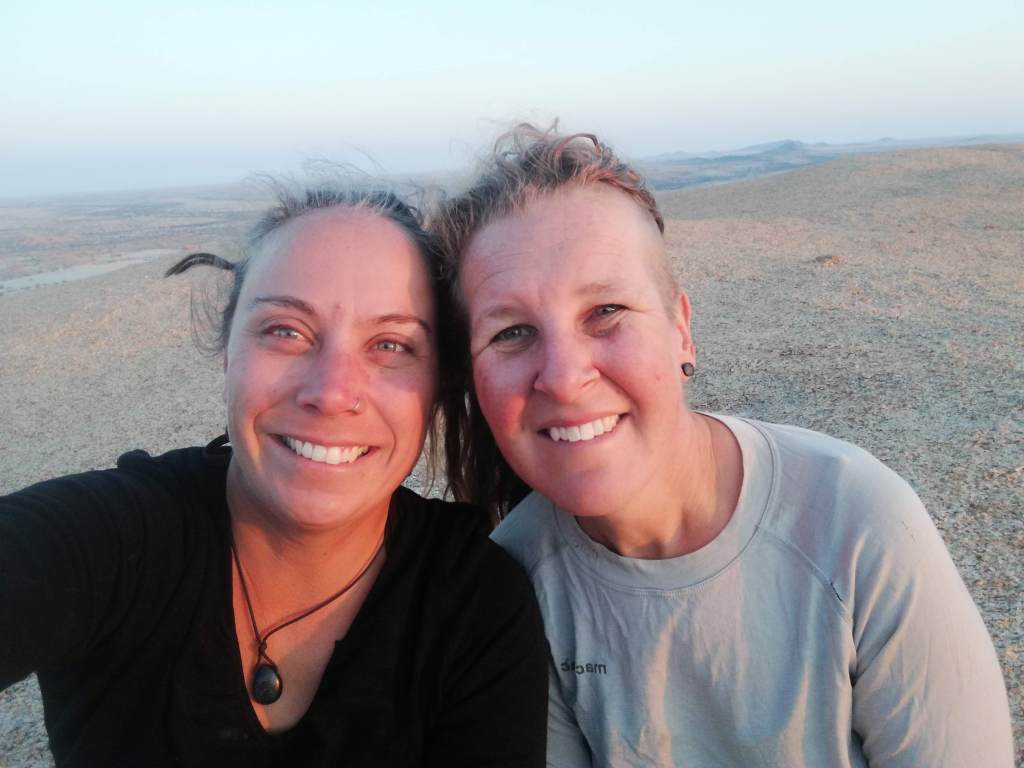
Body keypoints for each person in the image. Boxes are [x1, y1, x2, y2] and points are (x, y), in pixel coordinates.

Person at [435, 125, 1015, 767]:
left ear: (681, 331)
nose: (565, 377)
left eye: (606, 311)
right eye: (512, 333)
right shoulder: (510, 584)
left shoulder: (857, 523)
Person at [0, 185, 548, 767]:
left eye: (390, 344)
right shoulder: (110, 542)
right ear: (228, 351)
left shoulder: (474, 606)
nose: (331, 392)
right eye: (286, 331)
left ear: (438, 386)